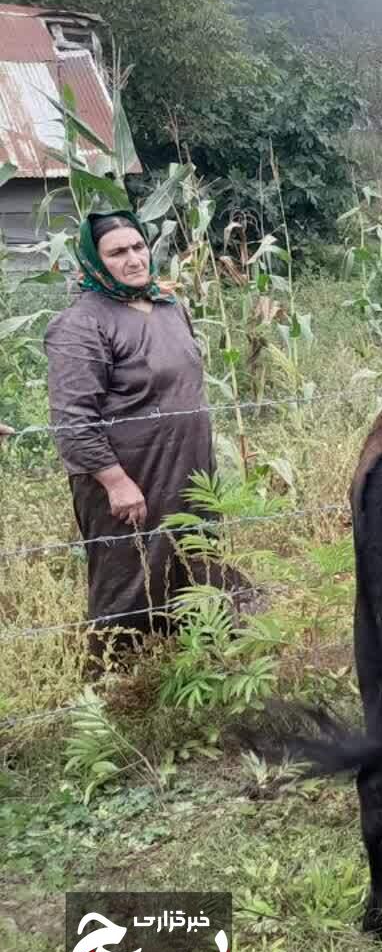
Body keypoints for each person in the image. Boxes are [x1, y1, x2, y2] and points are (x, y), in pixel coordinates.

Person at [44, 211, 249, 658]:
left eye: (139, 247)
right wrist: (116, 482)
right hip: (131, 480)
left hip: (189, 473)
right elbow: (74, 418)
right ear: (93, 262)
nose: (134, 260)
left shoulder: (170, 307)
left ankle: (194, 665)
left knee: (194, 567)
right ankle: (119, 681)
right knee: (131, 579)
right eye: (117, 252)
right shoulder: (81, 324)